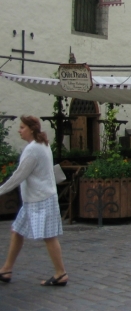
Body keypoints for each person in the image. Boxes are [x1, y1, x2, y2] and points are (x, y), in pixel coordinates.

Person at [0, 116, 68, 286]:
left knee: (49, 236)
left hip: (40, 199)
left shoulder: (33, 149)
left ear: (31, 129)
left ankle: (61, 273)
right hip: (36, 199)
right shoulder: (43, 145)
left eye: (22, 127)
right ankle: (6, 269)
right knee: (17, 231)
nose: (19, 130)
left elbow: (19, 175)